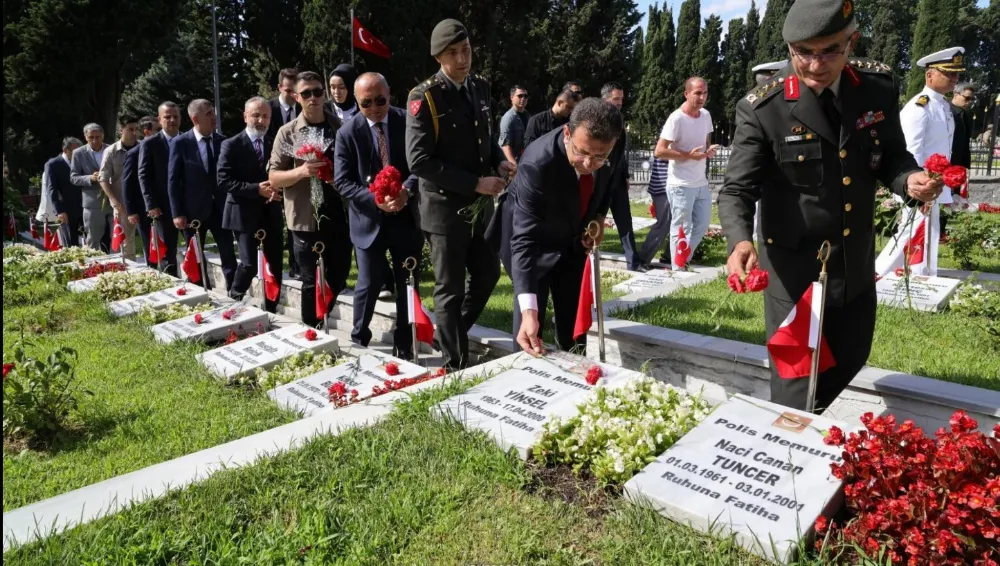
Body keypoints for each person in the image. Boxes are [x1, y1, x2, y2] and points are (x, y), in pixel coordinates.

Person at [718, 0, 942, 413]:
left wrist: (909, 180)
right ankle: (787, 449)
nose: (815, 64)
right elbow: (736, 189)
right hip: (794, 267)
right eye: (803, 51)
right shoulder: (762, 108)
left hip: (852, 260)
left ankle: (808, 423)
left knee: (853, 353)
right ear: (789, 48)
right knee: (795, 381)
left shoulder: (876, 87)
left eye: (829, 51)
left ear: (851, 41)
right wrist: (737, 242)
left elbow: (891, 154)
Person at [406, 18, 515, 370]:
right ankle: (455, 364)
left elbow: (486, 140)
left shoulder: (478, 87)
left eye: (466, 50)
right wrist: (475, 183)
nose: (462, 58)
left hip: (478, 208)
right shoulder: (424, 97)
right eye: (453, 53)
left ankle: (447, 332)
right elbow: (419, 160)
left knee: (486, 275)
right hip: (444, 209)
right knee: (449, 289)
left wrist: (500, 163)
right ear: (439, 57)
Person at [498, 98, 623, 354]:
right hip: (534, 245)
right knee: (529, 330)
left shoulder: (612, 141)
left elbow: (610, 180)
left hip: (572, 241)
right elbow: (524, 240)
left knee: (573, 324)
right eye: (582, 153)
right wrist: (529, 311)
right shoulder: (537, 163)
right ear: (567, 133)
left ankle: (576, 370)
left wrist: (598, 215)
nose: (589, 164)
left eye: (600, 157)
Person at [335, 72, 424, 358]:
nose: (374, 107)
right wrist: (376, 199)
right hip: (368, 220)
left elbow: (420, 164)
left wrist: (405, 192)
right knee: (369, 281)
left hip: (405, 218)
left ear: (389, 95)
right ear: (357, 102)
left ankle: (405, 342)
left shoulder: (406, 122)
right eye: (366, 102)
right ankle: (359, 336)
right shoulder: (347, 133)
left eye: (380, 100)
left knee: (407, 280)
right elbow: (343, 181)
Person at [269, 71, 349, 328]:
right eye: (306, 93)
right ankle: (311, 333)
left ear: (324, 93)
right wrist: (301, 171)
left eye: (317, 92)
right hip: (304, 218)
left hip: (338, 215)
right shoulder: (287, 132)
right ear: (296, 97)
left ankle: (321, 319)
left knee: (338, 277)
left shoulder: (340, 127)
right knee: (309, 282)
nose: (313, 98)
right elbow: (273, 178)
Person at [878, 46, 964, 276]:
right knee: (911, 230)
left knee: (928, 230)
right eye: (949, 73)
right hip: (918, 184)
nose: (954, 78)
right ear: (930, 75)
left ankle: (922, 272)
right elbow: (910, 150)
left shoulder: (943, 105)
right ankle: (879, 273)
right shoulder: (920, 106)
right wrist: (917, 186)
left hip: (933, 183)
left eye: (956, 74)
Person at [220, 97, 284, 312]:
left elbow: (281, 175)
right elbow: (224, 180)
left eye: (265, 116)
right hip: (243, 214)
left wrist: (278, 190)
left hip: (271, 212)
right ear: (245, 116)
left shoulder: (274, 143)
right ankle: (233, 301)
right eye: (256, 115)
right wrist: (256, 189)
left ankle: (271, 310)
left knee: (275, 265)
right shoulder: (231, 144)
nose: (260, 120)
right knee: (248, 264)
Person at [167, 99, 235, 290]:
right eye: (208, 114)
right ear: (195, 118)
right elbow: (173, 179)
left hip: (221, 209)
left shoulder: (223, 141)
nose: (214, 117)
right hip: (192, 212)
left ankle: (234, 291)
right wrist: (177, 212)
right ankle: (201, 290)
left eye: (213, 112)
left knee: (228, 252)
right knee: (195, 255)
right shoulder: (181, 143)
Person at [655, 77, 718, 270]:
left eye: (705, 93)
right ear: (686, 93)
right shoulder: (676, 118)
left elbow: (704, 143)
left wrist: (708, 151)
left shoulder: (706, 115)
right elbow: (659, 151)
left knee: (701, 226)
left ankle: (681, 261)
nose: (702, 97)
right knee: (682, 228)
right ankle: (677, 268)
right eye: (697, 93)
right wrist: (687, 155)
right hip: (680, 184)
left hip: (700, 183)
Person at [601, 82, 641, 271]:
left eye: (621, 100)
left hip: (617, 179)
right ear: (605, 99)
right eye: (616, 99)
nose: (619, 103)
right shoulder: (596, 119)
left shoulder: (620, 120)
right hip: (599, 180)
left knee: (625, 220)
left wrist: (624, 174)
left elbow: (621, 152)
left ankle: (633, 262)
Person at [139, 101, 182, 275]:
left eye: (176, 117)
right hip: (162, 207)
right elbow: (143, 175)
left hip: (188, 204)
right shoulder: (150, 144)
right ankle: (171, 286)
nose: (172, 120)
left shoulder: (188, 139)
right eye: (167, 117)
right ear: (159, 119)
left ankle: (199, 287)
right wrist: (151, 204)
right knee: (167, 252)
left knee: (195, 250)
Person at [268, 68, 303, 280]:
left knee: (295, 221)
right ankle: (274, 267)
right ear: (280, 87)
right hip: (275, 173)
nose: (292, 95)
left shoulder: (303, 107)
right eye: (288, 90)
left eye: (295, 90)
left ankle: (296, 265)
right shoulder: (268, 109)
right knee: (276, 223)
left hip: (298, 174)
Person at [98, 116, 140, 260]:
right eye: (130, 129)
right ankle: (127, 274)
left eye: (136, 129)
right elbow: (102, 178)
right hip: (122, 203)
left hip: (144, 201)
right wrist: (114, 201)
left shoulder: (143, 147)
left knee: (151, 239)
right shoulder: (111, 151)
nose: (134, 133)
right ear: (121, 130)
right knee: (125, 244)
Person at [123, 116, 160, 265]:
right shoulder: (134, 153)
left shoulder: (165, 148)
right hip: (142, 207)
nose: (162, 132)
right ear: (147, 132)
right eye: (158, 130)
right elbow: (128, 184)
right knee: (149, 244)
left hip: (162, 204)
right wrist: (131, 211)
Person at [71, 123, 112, 250]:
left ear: (103, 136)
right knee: (93, 241)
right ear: (85, 137)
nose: (94, 140)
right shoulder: (78, 153)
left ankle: (118, 265)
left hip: (113, 200)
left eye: (98, 137)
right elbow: (73, 177)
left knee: (117, 238)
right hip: (93, 203)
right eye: (91, 137)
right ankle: (93, 267)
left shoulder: (112, 149)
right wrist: (90, 178)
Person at [44, 137, 83, 248]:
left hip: (85, 207)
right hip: (67, 210)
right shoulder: (53, 164)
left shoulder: (80, 162)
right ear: (65, 150)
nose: (78, 154)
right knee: (71, 243)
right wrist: (59, 211)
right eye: (75, 152)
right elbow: (51, 189)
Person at [637, 157, 671, 266]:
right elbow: (661, 153)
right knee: (663, 224)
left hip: (672, 185)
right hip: (664, 186)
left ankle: (670, 256)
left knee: (679, 223)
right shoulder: (667, 140)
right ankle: (643, 258)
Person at [498, 85, 530, 163]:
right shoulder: (508, 118)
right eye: (520, 96)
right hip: (512, 163)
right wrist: (514, 166)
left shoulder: (527, 115)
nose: (523, 99)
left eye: (525, 96)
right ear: (512, 98)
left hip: (524, 160)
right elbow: (505, 146)